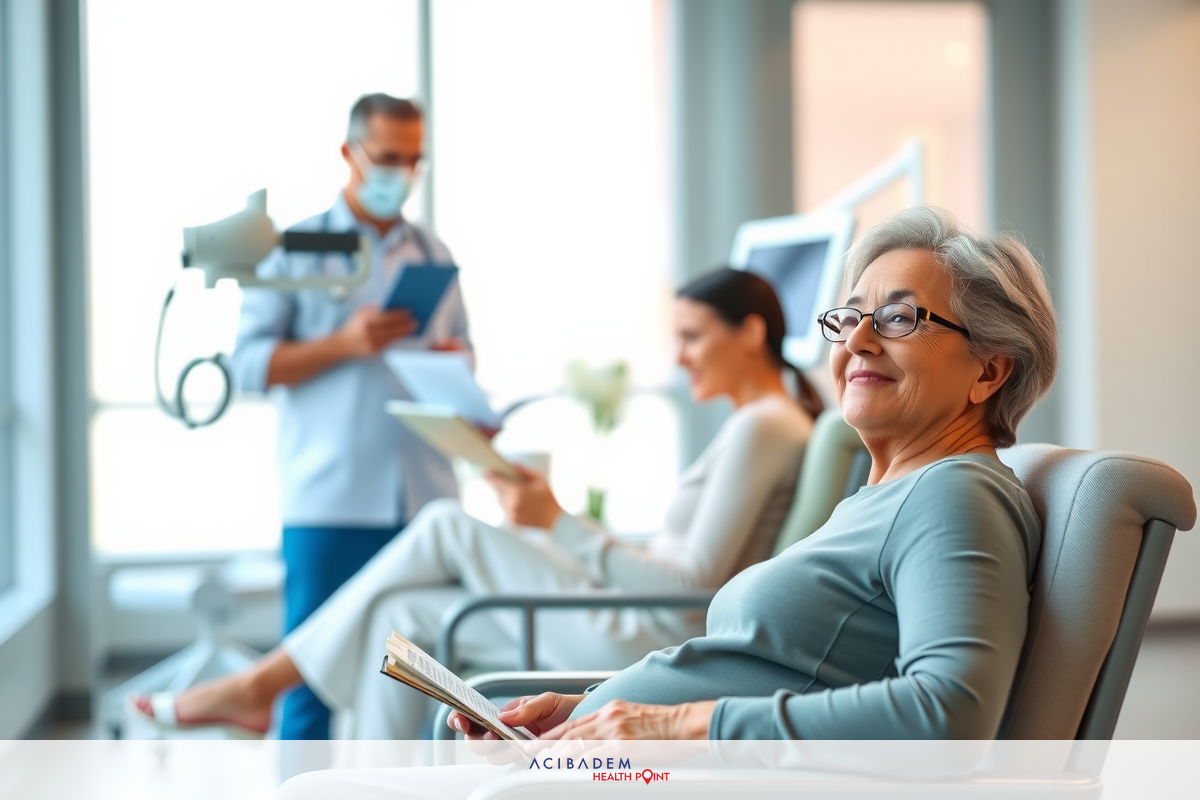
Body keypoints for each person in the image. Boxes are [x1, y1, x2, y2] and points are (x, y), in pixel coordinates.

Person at [431, 205, 1058, 748]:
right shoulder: (885, 497)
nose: (858, 340)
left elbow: (951, 716)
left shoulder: (955, 494)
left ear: (989, 372)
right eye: (851, 316)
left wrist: (672, 729)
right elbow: (765, 672)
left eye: (900, 319)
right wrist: (588, 713)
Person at [132, 268, 822, 739]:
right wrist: (566, 535)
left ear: (752, 333)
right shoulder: (757, 423)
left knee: (443, 525)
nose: (679, 358)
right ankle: (383, 783)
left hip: (644, 633)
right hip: (624, 612)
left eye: (693, 337)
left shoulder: (766, 425)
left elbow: (696, 588)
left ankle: (263, 684)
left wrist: (559, 525)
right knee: (396, 624)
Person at [226, 93, 471, 740]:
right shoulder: (297, 248)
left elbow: (465, 350)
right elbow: (248, 366)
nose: (401, 173)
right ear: (349, 154)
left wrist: (452, 360)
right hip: (331, 500)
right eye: (388, 157)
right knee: (305, 677)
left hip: (423, 500)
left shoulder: (433, 251)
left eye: (413, 159)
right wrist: (345, 343)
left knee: (423, 681)